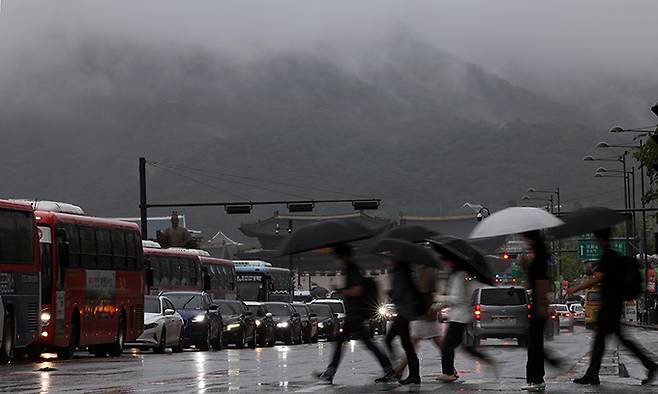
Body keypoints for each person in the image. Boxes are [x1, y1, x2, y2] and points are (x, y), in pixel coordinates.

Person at [568, 227, 657, 386]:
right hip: (612, 305)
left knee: (604, 340)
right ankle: (594, 374)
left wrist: (576, 288)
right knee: (611, 340)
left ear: (599, 240)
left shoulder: (608, 257)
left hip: (610, 306)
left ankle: (593, 374)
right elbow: (601, 276)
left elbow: (598, 278)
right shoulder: (610, 256)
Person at [314, 243, 395, 384]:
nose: (337, 259)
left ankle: (388, 368)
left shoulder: (353, 270)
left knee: (359, 342)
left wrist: (341, 291)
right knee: (350, 342)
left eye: (338, 256)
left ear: (343, 256)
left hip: (355, 313)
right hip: (354, 313)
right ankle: (330, 372)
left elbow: (357, 290)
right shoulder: (351, 269)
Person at [435, 256, 496, 382]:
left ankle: (448, 373)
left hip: (459, 317)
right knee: (464, 347)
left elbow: (458, 298)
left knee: (447, 345)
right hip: (460, 316)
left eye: (445, 260)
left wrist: (440, 298)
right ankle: (487, 360)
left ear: (452, 261)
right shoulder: (459, 275)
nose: (444, 263)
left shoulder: (458, 276)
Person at [520, 230, 559, 392]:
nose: (524, 242)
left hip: (539, 306)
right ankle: (536, 378)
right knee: (534, 344)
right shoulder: (538, 256)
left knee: (534, 344)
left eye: (526, 238)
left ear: (533, 238)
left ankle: (536, 379)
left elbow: (542, 283)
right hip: (537, 304)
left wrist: (543, 306)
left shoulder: (540, 259)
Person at [392, 265, 442, 379]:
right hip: (423, 313)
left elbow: (422, 290)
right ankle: (401, 369)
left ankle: (400, 370)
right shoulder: (424, 271)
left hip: (424, 312)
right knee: (419, 342)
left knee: (413, 343)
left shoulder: (427, 271)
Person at [383, 259, 421, 384]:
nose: (390, 261)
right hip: (405, 313)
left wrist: (390, 292)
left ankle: (407, 373)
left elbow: (398, 293)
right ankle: (403, 371)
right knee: (404, 345)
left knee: (405, 345)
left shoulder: (400, 274)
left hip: (404, 314)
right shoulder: (404, 272)